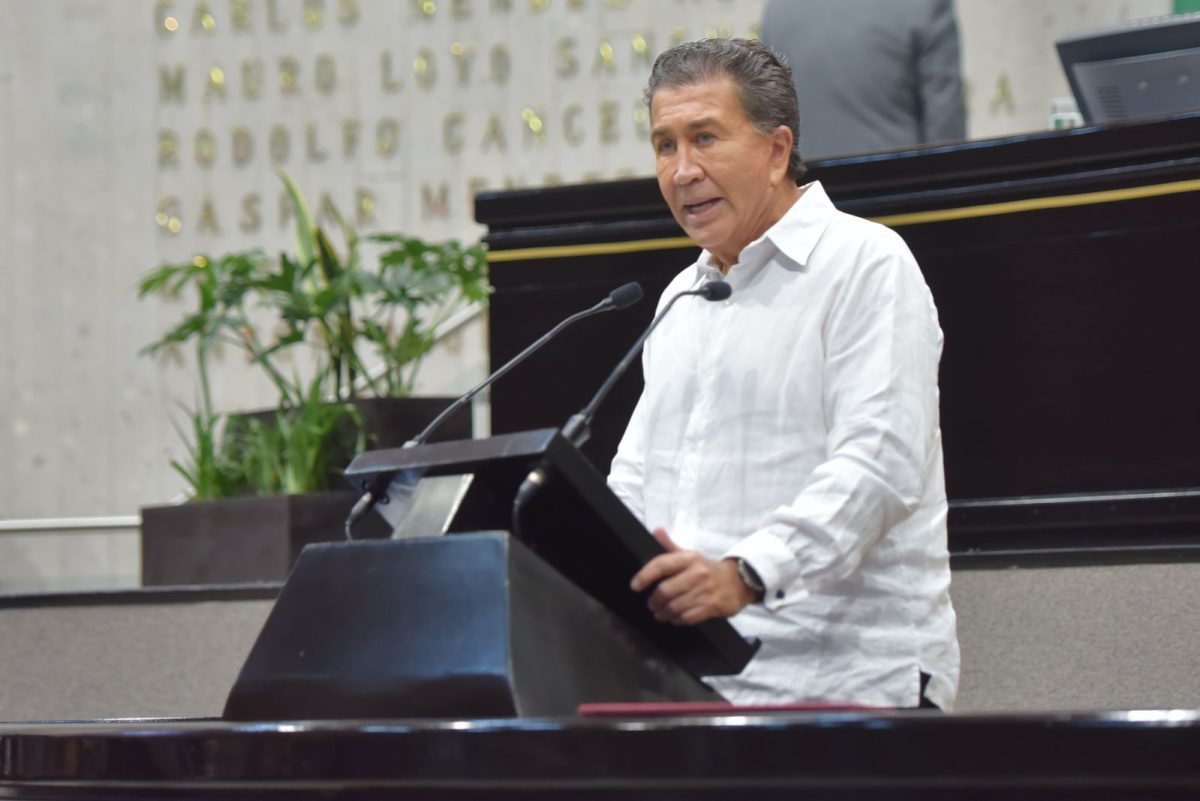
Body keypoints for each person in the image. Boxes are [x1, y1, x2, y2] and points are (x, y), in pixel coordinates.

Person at [608, 38, 959, 709]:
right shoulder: (683, 295)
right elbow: (636, 479)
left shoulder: (865, 262)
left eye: (704, 138)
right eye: (664, 145)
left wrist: (745, 573)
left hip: (846, 680)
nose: (682, 171)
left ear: (776, 151)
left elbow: (880, 463)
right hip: (695, 680)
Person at [760, 0, 966, 159]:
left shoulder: (778, 9)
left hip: (805, 190)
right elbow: (945, 131)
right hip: (896, 188)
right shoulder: (925, 6)